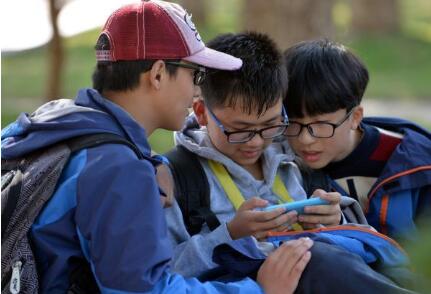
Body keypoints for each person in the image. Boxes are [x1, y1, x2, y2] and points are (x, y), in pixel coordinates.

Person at [0, 1, 313, 293]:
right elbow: (146, 289)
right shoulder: (119, 168)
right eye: (195, 74)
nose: (196, 91)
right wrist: (259, 289)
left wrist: (147, 160)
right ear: (159, 74)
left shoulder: (60, 121)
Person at [164, 32, 415, 293]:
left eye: (271, 125)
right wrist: (229, 234)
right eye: (240, 130)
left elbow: (365, 241)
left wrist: (335, 219)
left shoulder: (295, 156)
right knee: (318, 261)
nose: (256, 142)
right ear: (203, 112)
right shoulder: (176, 177)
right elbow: (160, 274)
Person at [282, 38, 431, 243]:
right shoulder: (278, 164)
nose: (305, 139)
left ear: (355, 117)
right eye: (292, 123)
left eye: (321, 124)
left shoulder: (418, 165)